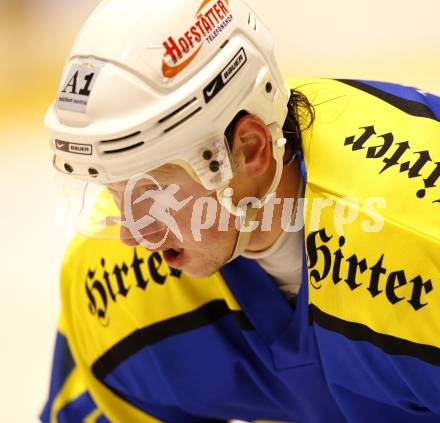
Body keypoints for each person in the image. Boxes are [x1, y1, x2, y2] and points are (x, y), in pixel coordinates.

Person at [41, 0, 440, 422]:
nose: (133, 234)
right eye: (114, 189)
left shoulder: (420, 239)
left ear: (250, 149)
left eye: (153, 191)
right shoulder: (110, 289)